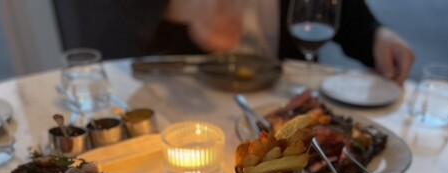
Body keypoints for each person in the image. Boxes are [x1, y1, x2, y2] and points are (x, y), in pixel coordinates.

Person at [146, 0, 415, 84]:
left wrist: (377, 35)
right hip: (191, 95)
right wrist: (176, 7)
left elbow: (344, 16)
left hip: (282, 97)